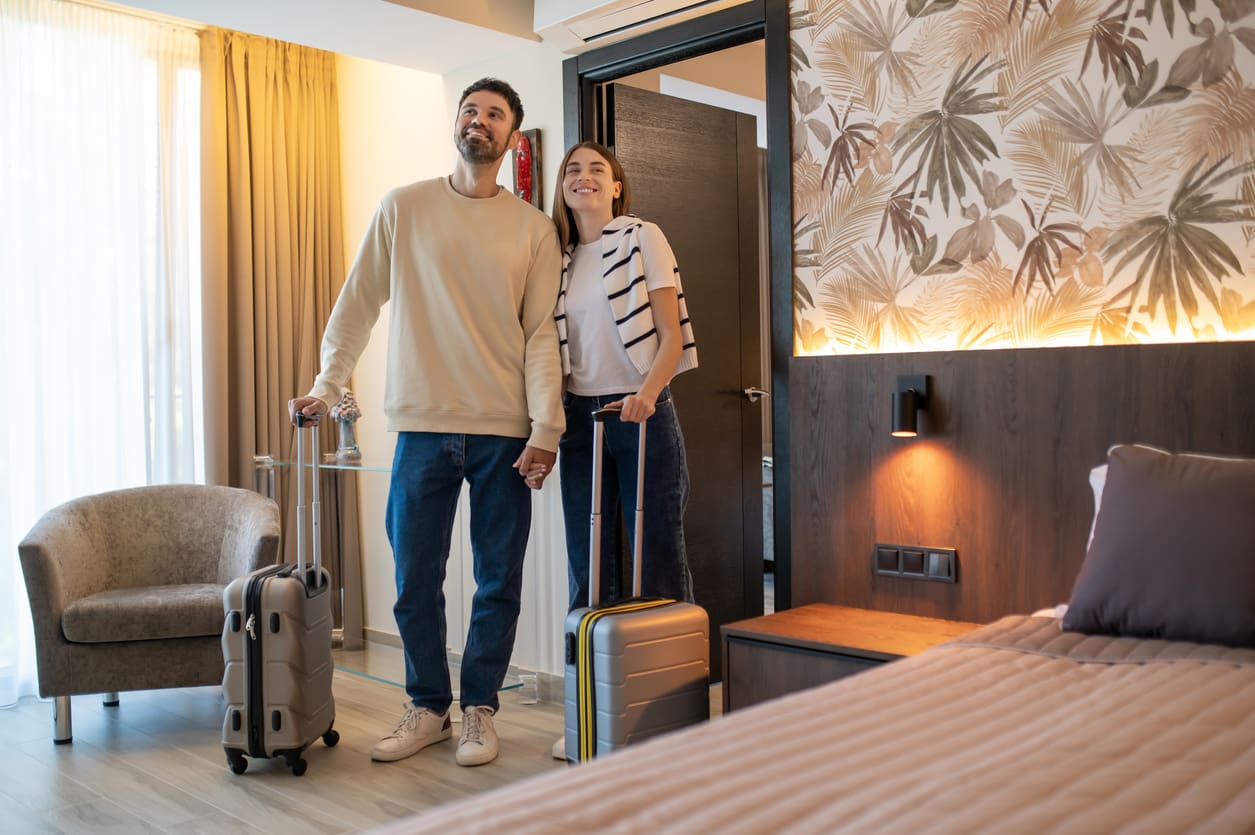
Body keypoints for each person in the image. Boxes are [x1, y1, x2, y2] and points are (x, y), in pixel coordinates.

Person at [288, 78, 563, 768]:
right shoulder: (403, 207)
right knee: (414, 577)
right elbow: (356, 305)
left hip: (504, 429)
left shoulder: (533, 229)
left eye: (493, 114)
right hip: (420, 424)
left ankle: (479, 710)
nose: (478, 119)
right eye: (469, 109)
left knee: (497, 579)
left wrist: (545, 427)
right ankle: (427, 707)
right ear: (458, 124)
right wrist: (327, 384)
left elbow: (539, 338)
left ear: (511, 137)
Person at [539, 143, 699, 759]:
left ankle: (668, 710)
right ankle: (593, 711)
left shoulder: (641, 236)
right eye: (572, 170)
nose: (582, 178)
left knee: (655, 546)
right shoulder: (557, 257)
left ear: (617, 188)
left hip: (641, 408)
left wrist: (647, 395)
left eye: (596, 171)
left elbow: (671, 333)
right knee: (590, 559)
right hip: (582, 416)